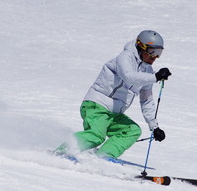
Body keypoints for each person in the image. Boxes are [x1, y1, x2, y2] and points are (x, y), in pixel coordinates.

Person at [56, 30, 172, 160]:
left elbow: (146, 100)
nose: (154, 57)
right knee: (96, 136)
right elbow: (128, 76)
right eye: (152, 52)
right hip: (97, 105)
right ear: (141, 47)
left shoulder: (148, 72)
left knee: (132, 130)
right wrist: (155, 77)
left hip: (114, 113)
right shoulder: (125, 57)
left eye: (159, 53)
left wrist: (154, 126)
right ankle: (61, 152)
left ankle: (103, 157)